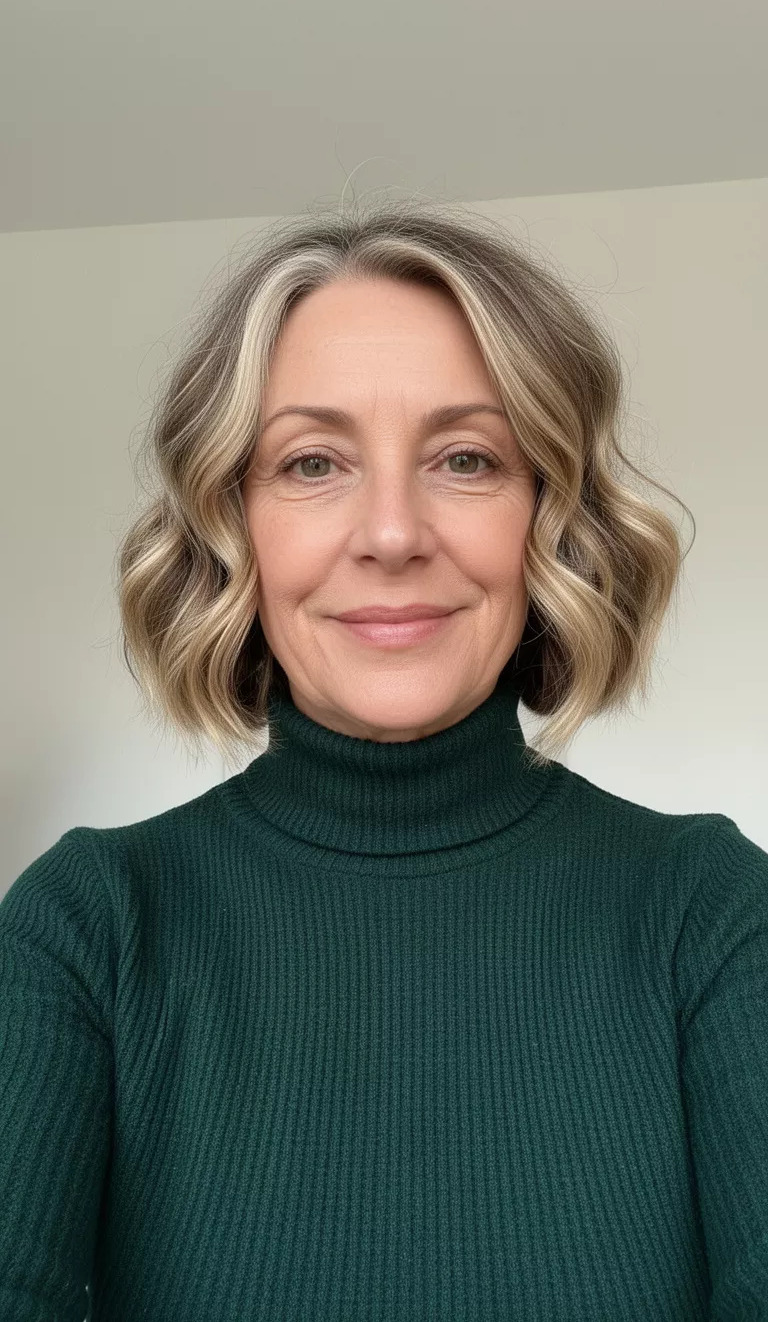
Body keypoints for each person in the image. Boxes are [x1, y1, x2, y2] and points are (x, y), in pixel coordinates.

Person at [1, 198, 766, 1321]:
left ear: (548, 516)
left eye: (467, 458)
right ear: (231, 523)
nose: (394, 533)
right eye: (313, 463)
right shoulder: (88, 928)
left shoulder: (714, 914)